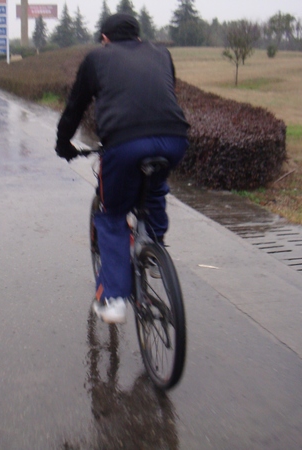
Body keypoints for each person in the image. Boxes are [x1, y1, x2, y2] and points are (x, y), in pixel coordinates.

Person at [55, 13, 190, 324]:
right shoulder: (161, 53)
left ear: (105, 39)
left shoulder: (97, 59)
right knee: (154, 186)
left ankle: (113, 297)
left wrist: (64, 146)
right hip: (175, 139)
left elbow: (75, 107)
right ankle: (152, 246)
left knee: (112, 214)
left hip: (125, 145)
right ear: (139, 38)